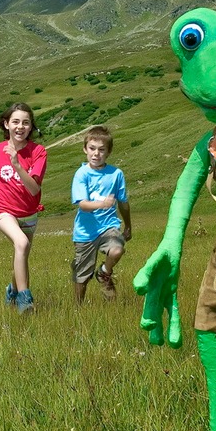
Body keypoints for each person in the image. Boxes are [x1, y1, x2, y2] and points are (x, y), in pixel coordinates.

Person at [0, 102, 47, 314]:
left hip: (29, 213)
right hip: (4, 211)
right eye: (15, 122)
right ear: (6, 124)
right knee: (21, 243)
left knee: (22, 254)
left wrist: (18, 165)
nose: (20, 127)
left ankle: (12, 291)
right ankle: (25, 299)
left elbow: (33, 189)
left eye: (25, 123)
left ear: (31, 127)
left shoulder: (38, 152)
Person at [71, 125, 132, 303]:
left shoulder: (116, 174)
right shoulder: (81, 174)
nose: (96, 154)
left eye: (101, 150)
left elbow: (123, 203)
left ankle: (104, 272)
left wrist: (128, 225)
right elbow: (82, 204)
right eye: (92, 149)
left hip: (109, 227)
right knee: (81, 275)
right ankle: (77, 308)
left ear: (108, 152)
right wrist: (102, 204)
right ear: (85, 149)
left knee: (117, 250)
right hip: (85, 231)